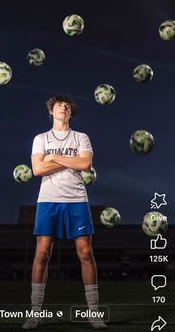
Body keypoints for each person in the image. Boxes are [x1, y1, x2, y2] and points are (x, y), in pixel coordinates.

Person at [22, 95, 107, 330]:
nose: (63, 108)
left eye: (67, 107)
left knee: (86, 253)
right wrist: (71, 160)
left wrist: (54, 157)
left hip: (77, 200)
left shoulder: (81, 137)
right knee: (42, 254)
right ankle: (35, 313)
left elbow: (86, 165)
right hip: (48, 201)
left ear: (71, 114)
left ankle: (94, 313)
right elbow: (38, 169)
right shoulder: (41, 139)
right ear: (51, 111)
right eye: (59, 105)